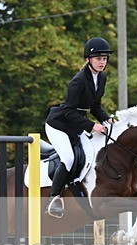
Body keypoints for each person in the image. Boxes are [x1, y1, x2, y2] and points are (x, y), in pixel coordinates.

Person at [44, 37, 115, 218]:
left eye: (104, 59)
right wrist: (92, 126)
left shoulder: (102, 78)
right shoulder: (78, 81)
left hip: (76, 125)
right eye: (98, 58)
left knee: (93, 152)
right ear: (88, 60)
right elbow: (69, 112)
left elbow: (95, 107)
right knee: (68, 158)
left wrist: (107, 120)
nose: (102, 62)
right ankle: (53, 198)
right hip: (59, 125)